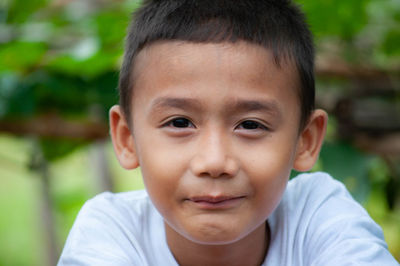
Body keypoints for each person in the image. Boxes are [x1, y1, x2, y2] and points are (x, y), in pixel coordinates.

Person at [58, 0, 399, 265]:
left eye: (251, 125)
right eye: (179, 123)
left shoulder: (317, 215)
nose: (214, 161)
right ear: (126, 138)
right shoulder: (111, 231)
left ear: (305, 140)